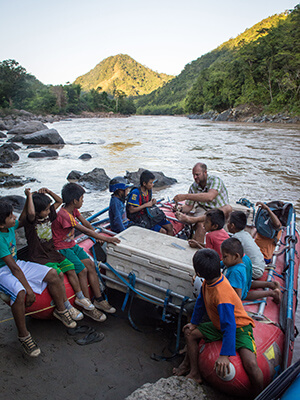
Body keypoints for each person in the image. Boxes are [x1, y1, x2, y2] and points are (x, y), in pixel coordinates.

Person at [173, 248, 264, 397]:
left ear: (199, 273)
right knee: (189, 333)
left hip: (239, 328)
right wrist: (194, 323)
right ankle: (194, 372)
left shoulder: (222, 295)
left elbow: (230, 325)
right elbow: (200, 304)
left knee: (251, 364)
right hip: (219, 325)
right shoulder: (208, 283)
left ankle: (260, 394)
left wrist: (224, 355)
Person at [0, 200, 76, 357]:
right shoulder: (0, 239)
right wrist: (28, 289)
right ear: (2, 224)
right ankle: (24, 336)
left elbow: (22, 217)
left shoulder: (10, 226)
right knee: (20, 293)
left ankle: (61, 311)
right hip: (3, 270)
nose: (14, 217)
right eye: (10, 216)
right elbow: (13, 268)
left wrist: (28, 197)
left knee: (53, 274)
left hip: (16, 263)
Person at [22, 187, 96, 321]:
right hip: (40, 255)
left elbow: (59, 201)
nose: (49, 210)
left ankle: (80, 297)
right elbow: (31, 213)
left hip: (52, 253)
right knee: (59, 274)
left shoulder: (48, 216)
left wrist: (49, 192)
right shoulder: (31, 222)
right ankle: (67, 306)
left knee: (71, 268)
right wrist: (29, 196)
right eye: (45, 209)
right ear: (38, 212)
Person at [51, 183, 120, 322]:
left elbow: (87, 224)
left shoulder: (73, 210)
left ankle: (99, 299)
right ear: (74, 201)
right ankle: (86, 304)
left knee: (90, 264)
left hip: (71, 244)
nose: (83, 201)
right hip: (62, 247)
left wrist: (96, 234)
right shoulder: (64, 215)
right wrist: (107, 238)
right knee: (82, 270)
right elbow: (85, 230)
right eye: (81, 199)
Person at [173, 162, 232, 243]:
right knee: (201, 225)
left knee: (228, 208)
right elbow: (189, 207)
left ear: (205, 173)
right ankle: (197, 248)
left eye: (197, 175)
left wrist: (186, 196)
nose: (195, 177)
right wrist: (180, 209)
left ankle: (192, 219)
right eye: (193, 175)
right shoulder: (194, 186)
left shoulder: (215, 181)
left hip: (219, 211)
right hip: (203, 210)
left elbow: (210, 197)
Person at [221, 237, 281, 303]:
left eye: (225, 257)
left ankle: (272, 293)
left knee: (245, 295)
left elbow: (238, 296)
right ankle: (271, 284)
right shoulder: (244, 258)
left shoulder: (234, 272)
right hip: (245, 281)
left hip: (240, 291)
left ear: (236, 256)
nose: (223, 259)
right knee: (248, 283)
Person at [126, 170, 173, 235]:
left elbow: (148, 203)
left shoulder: (148, 190)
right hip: (139, 218)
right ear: (144, 183)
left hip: (148, 215)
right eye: (151, 183)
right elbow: (131, 210)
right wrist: (146, 205)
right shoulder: (135, 193)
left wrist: (152, 202)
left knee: (169, 226)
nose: (152, 185)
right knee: (162, 231)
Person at [227, 211, 266, 279]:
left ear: (232, 226)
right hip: (261, 266)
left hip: (255, 271)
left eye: (228, 222)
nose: (227, 224)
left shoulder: (236, 238)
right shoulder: (246, 234)